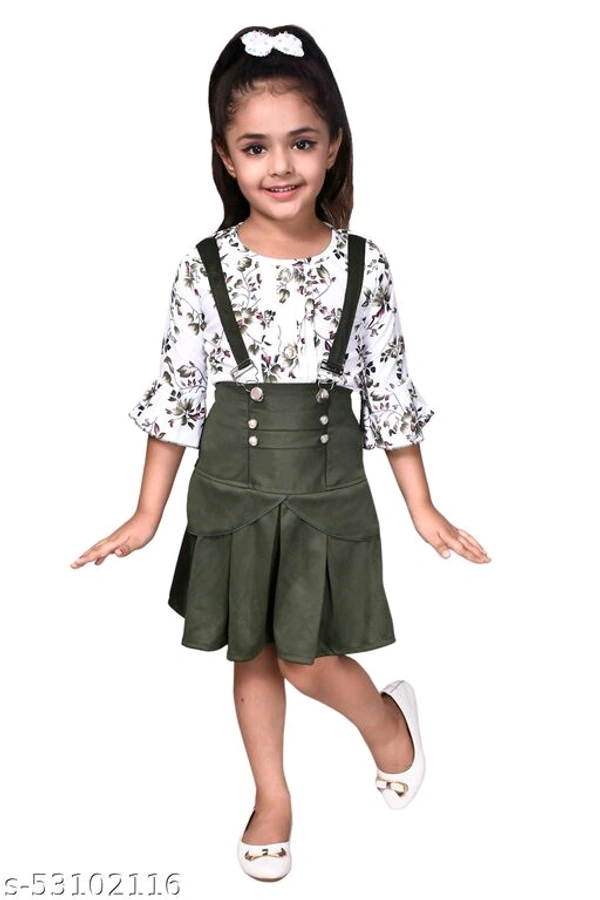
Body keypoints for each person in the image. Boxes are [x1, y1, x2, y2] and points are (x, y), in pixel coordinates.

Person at [71, 24, 491, 883]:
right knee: (253, 651)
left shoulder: (365, 267)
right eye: (256, 147)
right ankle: (272, 797)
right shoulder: (202, 269)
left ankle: (386, 725)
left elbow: (389, 388)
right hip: (232, 481)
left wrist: (423, 507)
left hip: (327, 483)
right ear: (225, 159)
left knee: (307, 657)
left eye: (301, 142)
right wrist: (146, 513)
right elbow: (178, 393)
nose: (281, 166)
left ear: (333, 146)